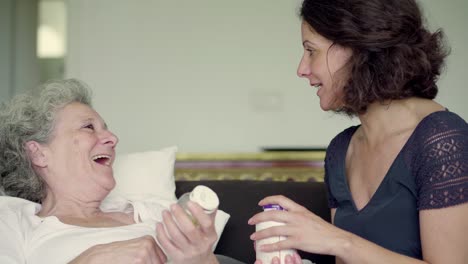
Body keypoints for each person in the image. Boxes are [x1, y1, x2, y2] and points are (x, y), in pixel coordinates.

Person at [249, 0, 468, 263]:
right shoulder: (341, 150)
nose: (302, 69)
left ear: (358, 48)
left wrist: (337, 240)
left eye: (311, 51)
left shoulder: (442, 140)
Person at [0, 79, 244, 264]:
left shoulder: (155, 213)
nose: (112, 138)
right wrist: (90, 259)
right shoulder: (17, 222)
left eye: (106, 129)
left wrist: (200, 259)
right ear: (39, 153)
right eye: (88, 127)